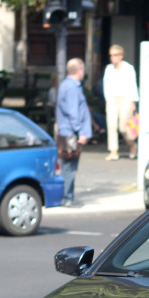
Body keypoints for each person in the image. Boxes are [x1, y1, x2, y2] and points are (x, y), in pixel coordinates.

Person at [56, 58, 92, 208]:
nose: (84, 72)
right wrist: (80, 132)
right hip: (71, 133)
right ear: (79, 71)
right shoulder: (71, 87)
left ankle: (68, 196)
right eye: (83, 69)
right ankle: (66, 198)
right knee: (69, 168)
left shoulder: (69, 86)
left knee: (69, 166)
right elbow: (73, 113)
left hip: (69, 132)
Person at [102, 44, 139, 161]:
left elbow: (132, 84)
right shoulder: (109, 68)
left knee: (123, 127)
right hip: (112, 99)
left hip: (125, 99)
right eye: (111, 55)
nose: (112, 57)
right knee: (111, 125)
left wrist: (133, 101)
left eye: (115, 55)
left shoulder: (128, 68)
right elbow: (105, 85)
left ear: (121, 56)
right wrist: (107, 99)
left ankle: (132, 144)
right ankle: (113, 151)